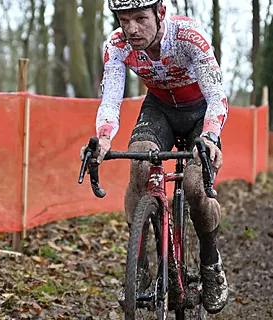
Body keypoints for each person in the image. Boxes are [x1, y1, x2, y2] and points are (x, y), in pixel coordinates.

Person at [79, 0, 229, 314]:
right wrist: (104, 138)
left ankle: (210, 262)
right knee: (140, 166)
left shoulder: (187, 35)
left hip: (200, 112)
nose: (131, 28)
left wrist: (211, 136)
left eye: (140, 18)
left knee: (194, 186)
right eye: (124, 20)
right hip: (159, 110)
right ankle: (140, 263)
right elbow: (110, 98)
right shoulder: (118, 45)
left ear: (160, 13)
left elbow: (217, 95)